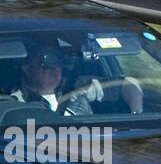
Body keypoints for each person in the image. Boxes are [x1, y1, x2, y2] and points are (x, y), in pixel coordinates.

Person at [11, 43, 143, 115]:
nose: (56, 69)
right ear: (27, 68)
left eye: (59, 62)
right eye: (47, 63)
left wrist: (137, 116)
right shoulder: (12, 103)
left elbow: (129, 83)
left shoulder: (76, 86)